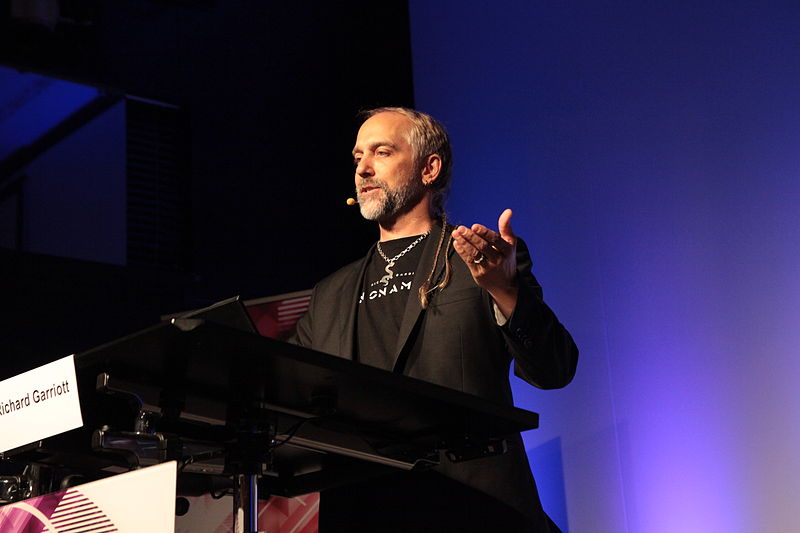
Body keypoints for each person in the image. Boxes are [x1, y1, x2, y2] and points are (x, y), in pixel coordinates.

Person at [292, 107, 578, 532]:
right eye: (357, 158)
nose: (364, 169)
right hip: (362, 508)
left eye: (382, 152)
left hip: (474, 509)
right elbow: (293, 393)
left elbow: (554, 369)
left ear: (429, 168)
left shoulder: (479, 260)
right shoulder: (331, 292)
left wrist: (504, 289)